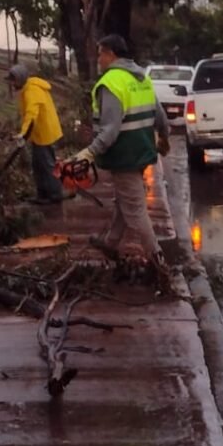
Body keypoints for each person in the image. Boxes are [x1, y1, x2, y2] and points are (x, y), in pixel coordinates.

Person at [71, 35, 172, 279]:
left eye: (100, 54)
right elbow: (160, 116)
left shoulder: (111, 83)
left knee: (135, 210)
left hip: (124, 155)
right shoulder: (141, 78)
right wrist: (164, 138)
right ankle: (111, 242)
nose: (98, 60)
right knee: (125, 202)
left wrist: (89, 152)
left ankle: (159, 263)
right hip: (142, 151)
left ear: (110, 54)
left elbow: (110, 130)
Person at [8, 62, 65, 204]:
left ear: (20, 79)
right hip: (42, 133)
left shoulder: (31, 91)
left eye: (13, 80)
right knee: (39, 164)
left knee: (45, 164)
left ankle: (54, 194)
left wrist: (23, 134)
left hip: (44, 134)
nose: (12, 84)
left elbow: (31, 114)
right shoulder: (30, 88)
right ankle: (44, 194)